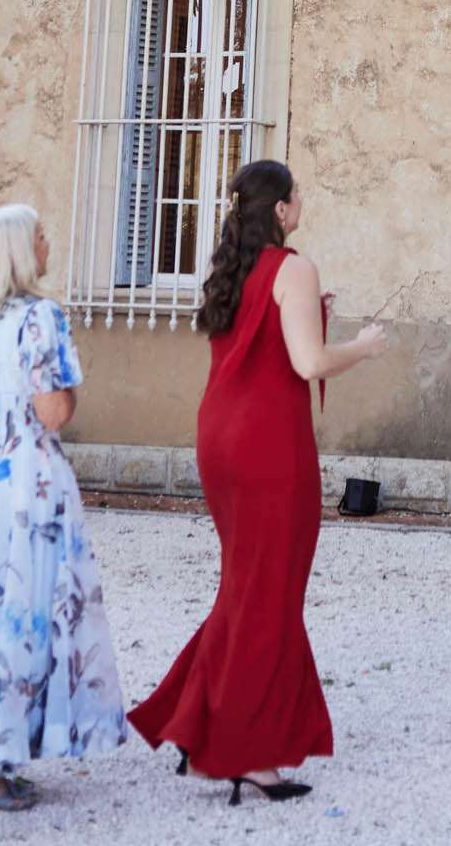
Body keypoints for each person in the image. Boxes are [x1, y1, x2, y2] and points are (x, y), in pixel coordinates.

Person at [129, 160, 387, 804]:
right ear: (279, 209)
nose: (302, 201)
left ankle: (200, 728)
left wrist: (311, 315)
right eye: (296, 193)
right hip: (270, 447)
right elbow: (309, 363)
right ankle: (246, 756)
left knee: (247, 586)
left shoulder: (232, 270)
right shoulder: (293, 268)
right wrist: (363, 346)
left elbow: (262, 340)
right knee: (270, 592)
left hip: (221, 437)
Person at [0, 204, 127, 815]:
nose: (47, 243)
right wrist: (64, 388)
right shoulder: (42, 318)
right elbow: (53, 412)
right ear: (18, 251)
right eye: (39, 235)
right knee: (20, 615)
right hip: (26, 486)